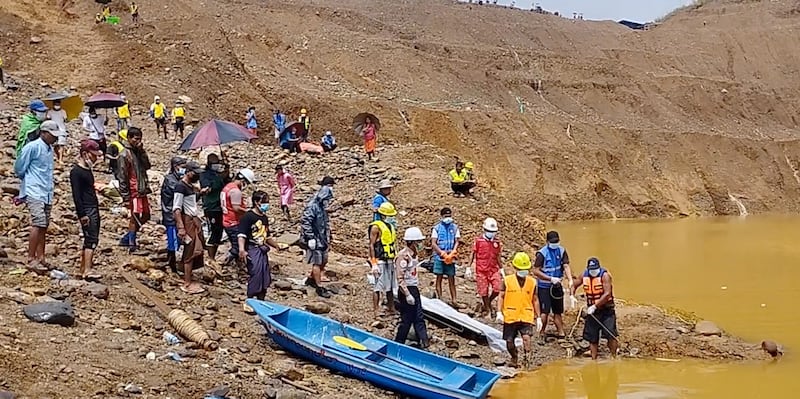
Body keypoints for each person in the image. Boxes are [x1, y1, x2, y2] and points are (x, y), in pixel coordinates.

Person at [14, 121, 64, 273]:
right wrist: (28, 180)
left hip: (46, 191)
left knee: (44, 225)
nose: (55, 139)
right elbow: (19, 167)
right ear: (43, 133)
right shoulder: (33, 147)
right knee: (38, 222)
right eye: (52, 135)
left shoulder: (49, 149)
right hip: (34, 189)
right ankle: (31, 258)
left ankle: (41, 257)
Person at [238, 190, 284, 301]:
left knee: (264, 274)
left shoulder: (264, 218)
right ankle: (250, 298)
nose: (266, 204)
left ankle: (261, 297)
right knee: (255, 272)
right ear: (256, 202)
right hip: (252, 249)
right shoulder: (248, 217)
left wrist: (276, 245)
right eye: (263, 202)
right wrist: (242, 249)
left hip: (262, 249)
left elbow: (267, 236)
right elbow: (242, 235)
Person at [497, 252, 540, 368]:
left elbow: (535, 300)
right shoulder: (507, 281)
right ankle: (514, 357)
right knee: (509, 342)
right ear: (515, 267)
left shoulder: (532, 282)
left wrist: (539, 317)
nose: (523, 271)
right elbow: (501, 296)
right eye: (521, 269)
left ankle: (527, 362)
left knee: (527, 338)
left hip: (526, 314)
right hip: (511, 316)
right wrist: (499, 312)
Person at [69, 140, 104, 280]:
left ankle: (83, 268)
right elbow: (76, 195)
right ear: (85, 154)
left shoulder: (86, 170)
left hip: (92, 206)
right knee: (91, 238)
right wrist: (81, 214)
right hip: (87, 208)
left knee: (90, 238)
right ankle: (88, 270)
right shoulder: (76, 172)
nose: (95, 158)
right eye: (93, 155)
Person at [571, 257, 618, 360]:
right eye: (591, 269)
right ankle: (593, 359)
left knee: (610, 334)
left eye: (595, 269)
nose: (593, 271)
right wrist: (572, 296)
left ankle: (614, 356)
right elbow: (574, 285)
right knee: (592, 336)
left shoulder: (605, 276)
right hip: (592, 311)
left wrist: (595, 306)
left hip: (606, 309)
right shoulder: (584, 275)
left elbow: (607, 294)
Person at [533, 230, 576, 339]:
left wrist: (570, 279)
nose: (555, 244)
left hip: (557, 286)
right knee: (545, 312)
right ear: (547, 242)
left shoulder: (561, 251)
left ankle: (561, 332)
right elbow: (536, 271)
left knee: (558, 311)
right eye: (553, 242)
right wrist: (550, 278)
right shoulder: (542, 254)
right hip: (544, 286)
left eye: (556, 242)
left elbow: (566, 266)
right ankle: (542, 333)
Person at [173, 161, 206, 294]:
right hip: (188, 220)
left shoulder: (190, 186)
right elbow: (176, 208)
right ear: (188, 172)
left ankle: (188, 276)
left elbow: (190, 202)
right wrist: (181, 227)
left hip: (194, 219)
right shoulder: (180, 187)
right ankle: (187, 282)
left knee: (195, 248)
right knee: (190, 250)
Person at [117, 127, 152, 253]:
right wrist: (125, 196)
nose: (138, 141)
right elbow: (122, 176)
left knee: (146, 215)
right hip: (133, 190)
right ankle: (132, 244)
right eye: (136, 139)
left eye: (140, 139)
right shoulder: (124, 154)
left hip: (142, 188)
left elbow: (147, 166)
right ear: (129, 138)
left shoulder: (138, 152)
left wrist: (142, 151)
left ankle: (128, 237)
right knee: (134, 216)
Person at [394, 226, 429, 348]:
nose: (420, 244)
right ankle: (398, 343)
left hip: (414, 288)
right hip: (406, 290)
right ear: (412, 242)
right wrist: (407, 294)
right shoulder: (403, 256)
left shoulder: (414, 255)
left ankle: (424, 342)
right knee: (407, 320)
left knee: (419, 317)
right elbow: (400, 278)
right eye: (418, 242)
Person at [301, 176, 335, 298]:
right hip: (314, 238)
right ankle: (319, 287)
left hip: (322, 238)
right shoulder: (313, 206)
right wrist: (310, 237)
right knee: (317, 261)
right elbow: (306, 221)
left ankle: (311, 279)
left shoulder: (321, 206)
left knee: (324, 260)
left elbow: (324, 222)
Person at [221, 168, 257, 264]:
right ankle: (224, 262)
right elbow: (236, 208)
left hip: (227, 220)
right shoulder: (236, 191)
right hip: (233, 222)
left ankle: (238, 265)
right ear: (243, 180)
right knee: (238, 246)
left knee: (237, 244)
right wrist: (249, 212)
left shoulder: (228, 187)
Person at [369, 202, 398, 317]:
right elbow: (371, 245)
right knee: (378, 286)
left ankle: (391, 308)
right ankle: (376, 310)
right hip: (380, 260)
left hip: (389, 259)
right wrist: (373, 262)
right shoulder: (375, 227)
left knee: (390, 285)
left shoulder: (390, 227)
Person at [469, 217, 503, 317]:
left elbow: (498, 256)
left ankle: (487, 302)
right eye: (489, 231)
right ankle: (488, 309)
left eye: (493, 231)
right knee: (483, 291)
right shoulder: (479, 241)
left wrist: (501, 269)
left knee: (497, 288)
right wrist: (468, 266)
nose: (491, 233)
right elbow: (473, 253)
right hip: (481, 270)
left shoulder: (496, 242)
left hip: (493, 269)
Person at [160, 156, 187, 273]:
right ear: (176, 167)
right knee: (173, 241)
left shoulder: (176, 179)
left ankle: (175, 263)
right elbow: (178, 192)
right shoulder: (171, 180)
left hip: (176, 213)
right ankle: (172, 265)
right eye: (183, 167)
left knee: (177, 240)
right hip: (171, 214)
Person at [200, 153, 227, 259]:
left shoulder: (218, 174)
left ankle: (213, 256)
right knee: (214, 231)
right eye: (214, 163)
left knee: (219, 231)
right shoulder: (205, 175)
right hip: (211, 207)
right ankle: (211, 257)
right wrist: (219, 178)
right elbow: (208, 188)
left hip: (219, 206)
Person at [431, 207, 460, 305]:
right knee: (439, 277)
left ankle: (454, 300)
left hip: (450, 257)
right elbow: (433, 243)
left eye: (449, 216)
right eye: (446, 216)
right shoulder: (437, 228)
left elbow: (457, 241)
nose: (448, 218)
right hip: (439, 257)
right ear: (441, 216)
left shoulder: (454, 227)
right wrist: (441, 253)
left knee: (451, 278)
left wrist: (454, 251)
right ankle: (440, 298)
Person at [47, 99, 69, 164]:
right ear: (53, 104)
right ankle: (57, 157)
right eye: (56, 104)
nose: (57, 106)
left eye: (58, 104)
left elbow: (66, 119)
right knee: (55, 145)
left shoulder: (63, 111)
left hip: (62, 129)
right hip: (53, 130)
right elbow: (48, 118)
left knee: (61, 145)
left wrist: (66, 119)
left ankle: (60, 159)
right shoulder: (50, 112)